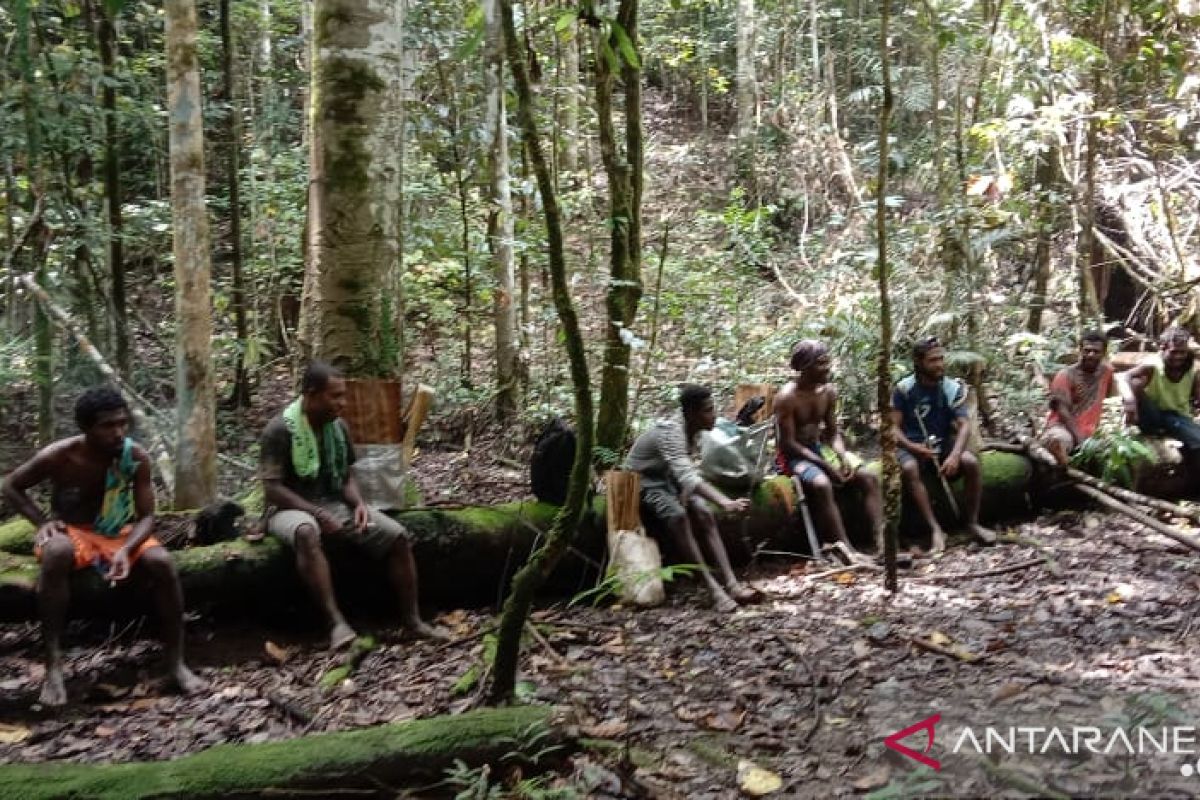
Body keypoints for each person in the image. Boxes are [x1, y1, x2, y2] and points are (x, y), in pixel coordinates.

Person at [1, 387, 206, 706]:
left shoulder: (135, 457)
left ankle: (176, 663)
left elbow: (147, 517)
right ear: (86, 427)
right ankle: (54, 667)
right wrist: (41, 522)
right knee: (56, 552)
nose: (118, 432)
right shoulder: (60, 455)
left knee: (163, 562)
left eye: (123, 424)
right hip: (74, 530)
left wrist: (126, 550)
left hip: (119, 531)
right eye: (108, 426)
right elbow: (11, 486)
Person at [260, 362, 445, 648]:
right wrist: (317, 513)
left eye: (343, 395)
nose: (342, 403)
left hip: (335, 504)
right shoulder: (279, 430)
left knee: (397, 536)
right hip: (288, 510)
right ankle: (336, 624)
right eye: (335, 396)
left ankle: (412, 621)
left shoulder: (339, 428)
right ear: (311, 394)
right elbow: (272, 488)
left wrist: (358, 504)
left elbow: (346, 477)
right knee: (307, 532)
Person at [624, 385, 755, 612]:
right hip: (643, 480)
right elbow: (688, 476)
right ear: (691, 413)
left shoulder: (693, 429)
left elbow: (686, 473)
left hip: (667, 476)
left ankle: (732, 584)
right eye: (708, 411)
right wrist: (725, 502)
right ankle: (712, 589)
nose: (713, 415)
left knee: (703, 512)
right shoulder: (672, 433)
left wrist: (691, 495)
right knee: (679, 516)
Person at [774, 340, 883, 559]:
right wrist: (824, 465)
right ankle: (846, 549)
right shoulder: (787, 397)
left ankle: (882, 542)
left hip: (819, 449)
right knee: (822, 484)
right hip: (794, 456)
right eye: (821, 364)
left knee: (868, 476)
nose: (828, 368)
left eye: (827, 362)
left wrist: (842, 457)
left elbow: (833, 434)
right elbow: (787, 444)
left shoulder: (828, 392)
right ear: (805, 367)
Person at [890, 337, 996, 552]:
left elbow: (964, 425)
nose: (939, 364)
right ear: (919, 362)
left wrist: (955, 455)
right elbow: (892, 428)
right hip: (912, 446)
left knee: (970, 462)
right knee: (909, 468)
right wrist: (912, 446)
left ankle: (972, 522)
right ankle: (935, 529)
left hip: (941, 443)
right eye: (933, 360)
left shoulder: (951, 388)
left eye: (941, 358)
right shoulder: (904, 389)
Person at [1118, 326, 1200, 480]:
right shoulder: (1154, 364)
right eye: (1174, 352)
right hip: (1152, 415)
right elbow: (1124, 377)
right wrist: (1129, 400)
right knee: (1135, 382)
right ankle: (1135, 428)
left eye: (1182, 352)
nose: (1178, 357)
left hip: (1177, 417)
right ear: (1163, 348)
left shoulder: (1192, 369)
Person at [1039, 331, 1116, 466]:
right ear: (1080, 350)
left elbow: (1109, 398)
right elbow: (1064, 413)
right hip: (1063, 428)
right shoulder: (1065, 375)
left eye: (1096, 351)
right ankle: (1061, 461)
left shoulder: (1107, 372)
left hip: (1091, 432)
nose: (1091, 355)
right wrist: (1080, 439)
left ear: (1103, 353)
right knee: (1059, 439)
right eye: (1087, 350)